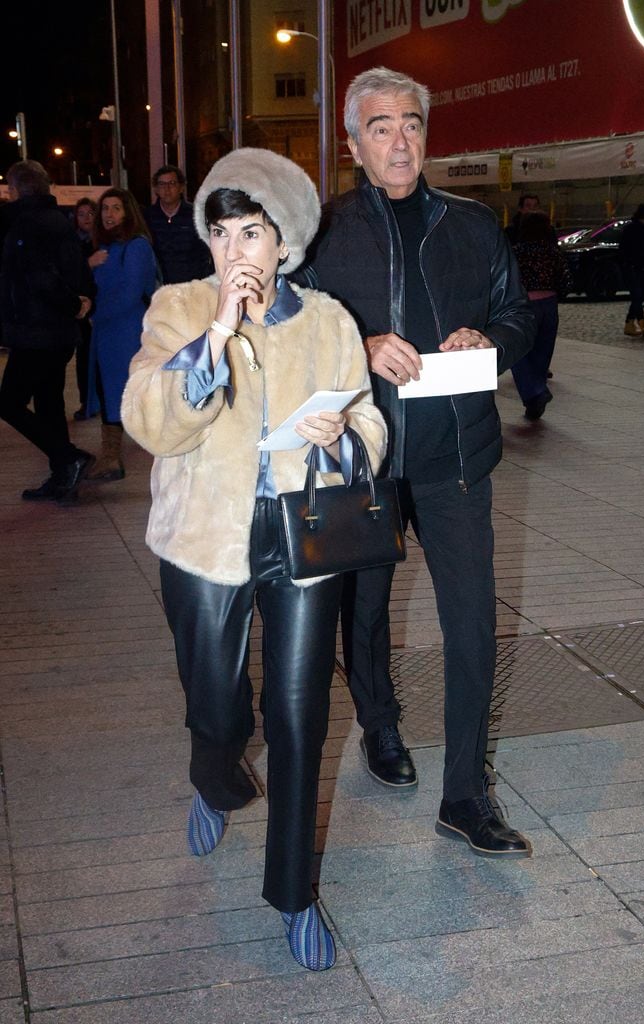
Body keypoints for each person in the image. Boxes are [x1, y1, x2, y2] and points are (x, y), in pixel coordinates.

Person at [121, 148, 386, 971]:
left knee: (302, 711)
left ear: (286, 241)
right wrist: (217, 337)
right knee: (217, 709)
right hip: (205, 539)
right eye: (224, 231)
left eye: (254, 232)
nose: (238, 249)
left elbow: (371, 422)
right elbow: (148, 421)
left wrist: (344, 436)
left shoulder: (331, 320)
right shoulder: (177, 307)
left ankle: (294, 893)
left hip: (303, 536)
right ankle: (216, 775)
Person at [296, 67, 535, 857]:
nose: (399, 142)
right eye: (380, 128)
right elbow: (289, 340)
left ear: (425, 135)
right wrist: (358, 347)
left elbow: (514, 314)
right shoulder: (323, 233)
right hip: (365, 461)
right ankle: (379, 723)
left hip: (455, 458)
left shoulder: (473, 225)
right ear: (355, 145)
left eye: (410, 124)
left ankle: (465, 794)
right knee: (362, 617)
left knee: (472, 627)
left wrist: (489, 339)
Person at [0, 160, 94, 502]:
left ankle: (68, 457)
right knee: (49, 404)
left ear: (16, 190)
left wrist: (73, 304)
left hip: (36, 331)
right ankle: (61, 473)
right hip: (55, 331)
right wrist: (81, 303)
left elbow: (39, 278)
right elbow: (76, 268)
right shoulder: (58, 221)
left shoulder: (27, 225)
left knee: (8, 402)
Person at [87, 188, 158, 480]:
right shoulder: (106, 247)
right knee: (109, 392)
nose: (109, 214)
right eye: (105, 208)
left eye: (116, 208)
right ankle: (111, 457)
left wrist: (94, 314)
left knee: (123, 391)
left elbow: (131, 293)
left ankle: (115, 457)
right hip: (107, 330)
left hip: (126, 330)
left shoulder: (137, 246)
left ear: (128, 212)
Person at [511, 211, 572, 420]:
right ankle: (535, 395)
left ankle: (534, 393)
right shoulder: (552, 251)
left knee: (519, 351)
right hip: (549, 303)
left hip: (524, 304)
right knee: (543, 350)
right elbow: (564, 278)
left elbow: (507, 278)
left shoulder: (516, 252)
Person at [144, 164, 213, 284]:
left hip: (192, 284)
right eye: (162, 184)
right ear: (155, 189)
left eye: (172, 183)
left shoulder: (196, 214)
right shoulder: (147, 217)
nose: (167, 189)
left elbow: (207, 251)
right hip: (159, 285)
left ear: (181, 188)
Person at [72, 198, 98, 421]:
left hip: (102, 305)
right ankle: (86, 401)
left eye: (91, 213)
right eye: (82, 214)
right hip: (82, 307)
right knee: (84, 357)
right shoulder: (72, 243)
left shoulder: (104, 240)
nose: (87, 218)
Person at [619, 202, 644, 337]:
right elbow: (624, 247)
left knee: (640, 296)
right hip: (632, 266)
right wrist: (627, 262)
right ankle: (642, 322)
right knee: (636, 294)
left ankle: (629, 323)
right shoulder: (631, 228)